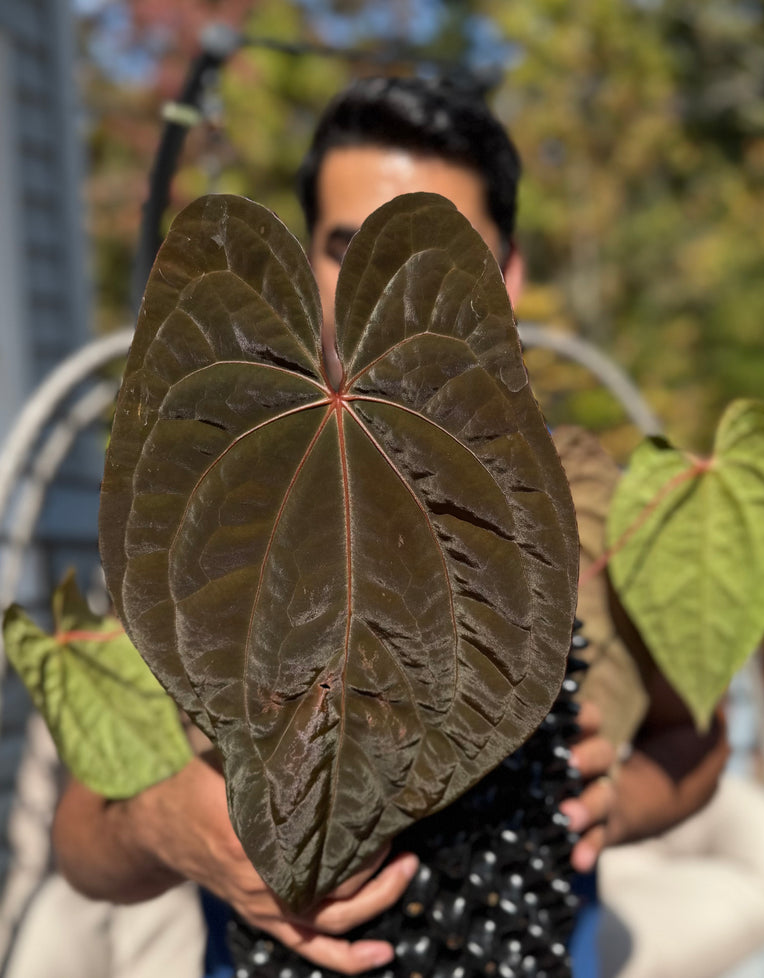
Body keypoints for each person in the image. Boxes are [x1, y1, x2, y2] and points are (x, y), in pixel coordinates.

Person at [49, 75, 729, 977]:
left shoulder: (591, 496)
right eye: (345, 249)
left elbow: (700, 737)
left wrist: (618, 798)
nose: (378, 290)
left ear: (509, 276)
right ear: (308, 262)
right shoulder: (216, 497)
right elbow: (82, 839)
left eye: (430, 258)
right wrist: (166, 824)